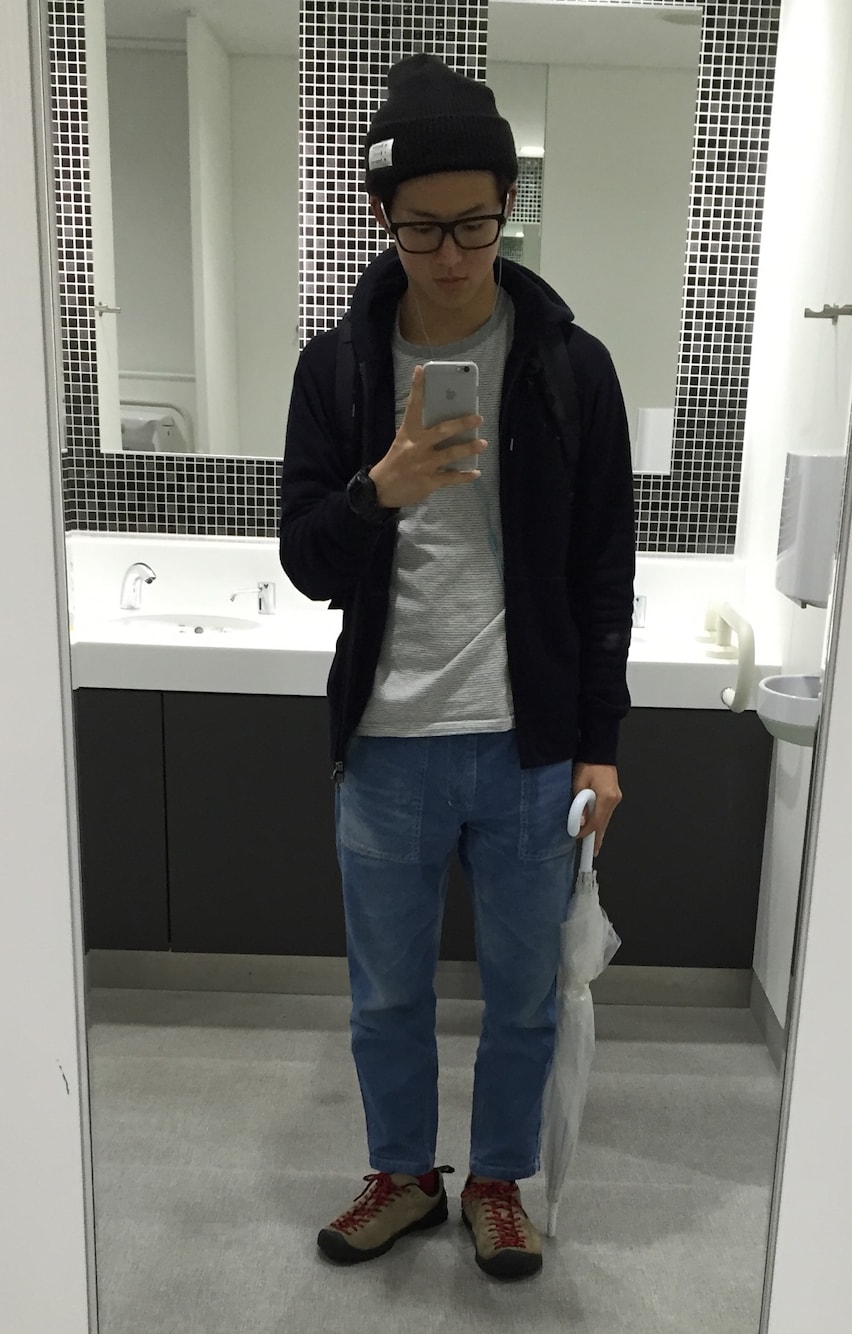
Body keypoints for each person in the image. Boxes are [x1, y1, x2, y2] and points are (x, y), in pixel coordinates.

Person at [280, 52, 635, 1281]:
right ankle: (402, 1173)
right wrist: (376, 489)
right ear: (382, 217)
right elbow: (306, 561)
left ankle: (495, 1181)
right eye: (422, 227)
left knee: (525, 995)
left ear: (507, 206)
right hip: (385, 742)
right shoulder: (333, 370)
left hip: (529, 748)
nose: (450, 254)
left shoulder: (570, 367)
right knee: (386, 995)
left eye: (475, 223)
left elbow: (603, 570)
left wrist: (601, 745)